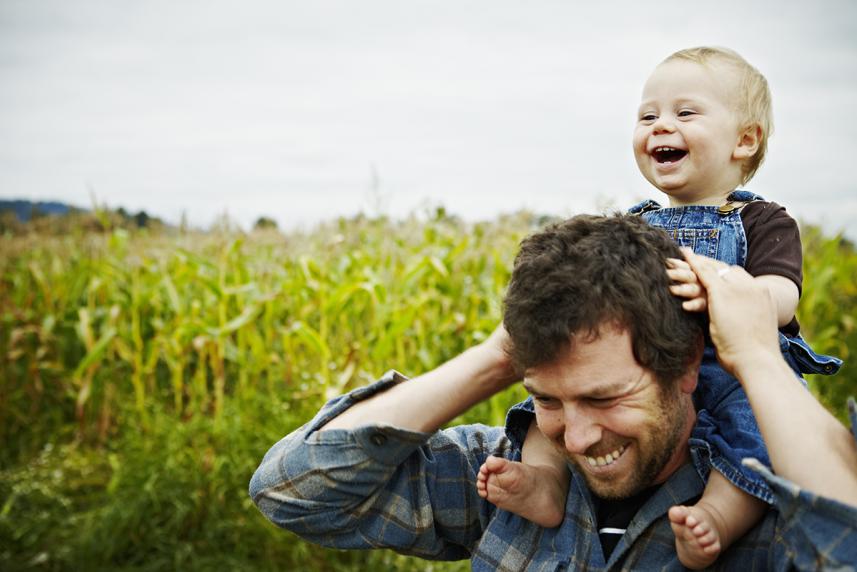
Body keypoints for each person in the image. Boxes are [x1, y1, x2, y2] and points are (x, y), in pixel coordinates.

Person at [250, 214, 857, 570]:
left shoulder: (762, 508)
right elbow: (294, 491)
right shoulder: (505, 483)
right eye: (546, 399)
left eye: (603, 397)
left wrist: (754, 353)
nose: (579, 437)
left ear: (687, 369)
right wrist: (493, 361)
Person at [481, 47, 842, 569]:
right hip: (651, 364)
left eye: (684, 113)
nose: (660, 126)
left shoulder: (761, 220)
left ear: (745, 140)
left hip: (733, 365)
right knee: (547, 412)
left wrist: (734, 293)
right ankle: (544, 484)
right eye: (647, 116)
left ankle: (718, 516)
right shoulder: (637, 221)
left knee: (754, 435)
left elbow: (783, 295)